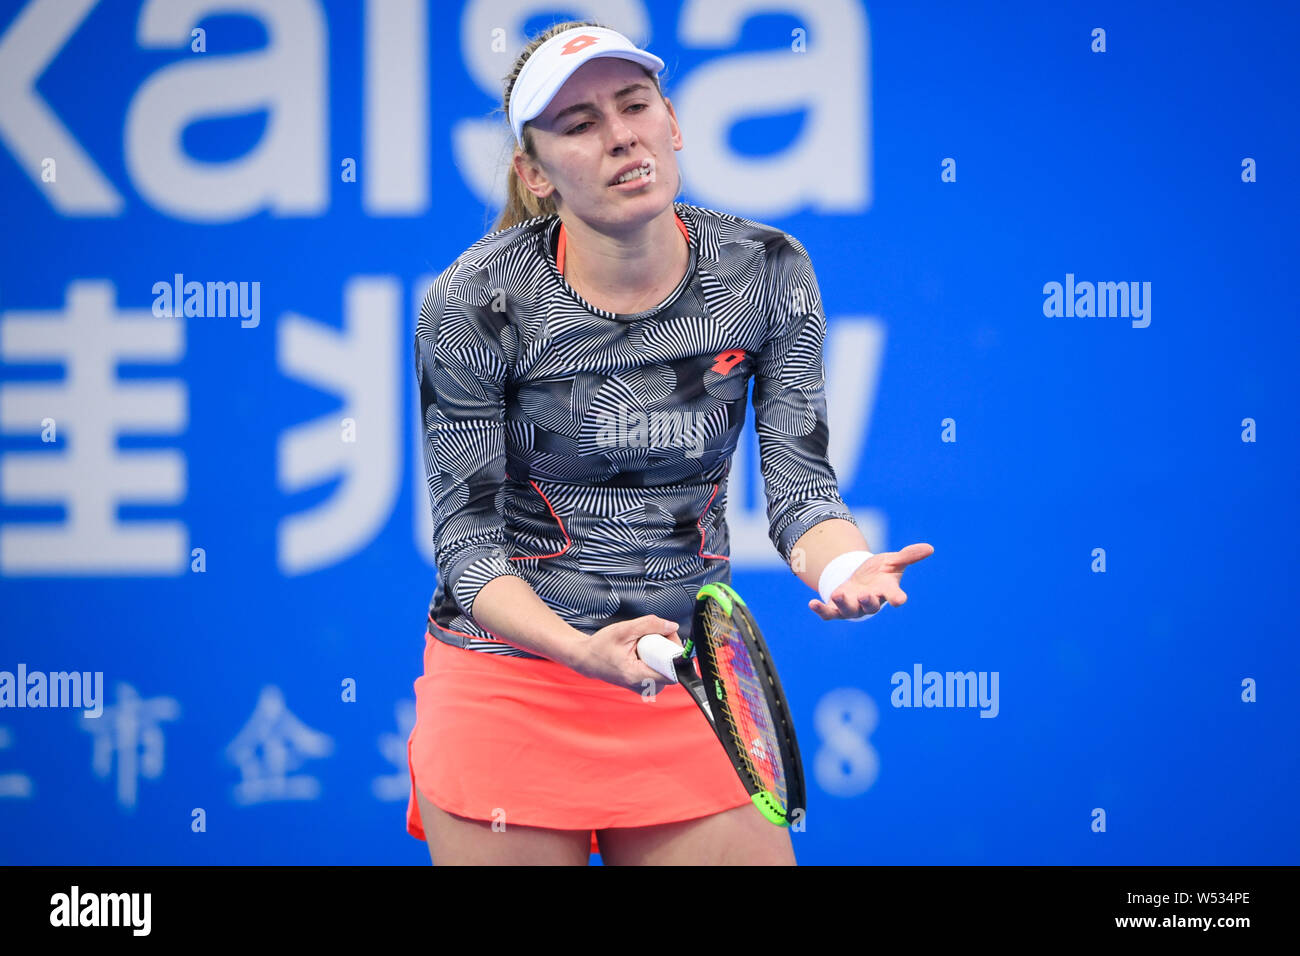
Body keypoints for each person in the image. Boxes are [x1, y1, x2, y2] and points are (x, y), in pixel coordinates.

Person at [405, 19, 933, 866]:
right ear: (533, 174)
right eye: (579, 125)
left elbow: (799, 484)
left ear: (673, 122)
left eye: (634, 105)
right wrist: (583, 650)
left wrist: (842, 568)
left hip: (688, 678)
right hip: (513, 680)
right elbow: (468, 551)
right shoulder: (473, 305)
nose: (620, 136)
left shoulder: (766, 269)